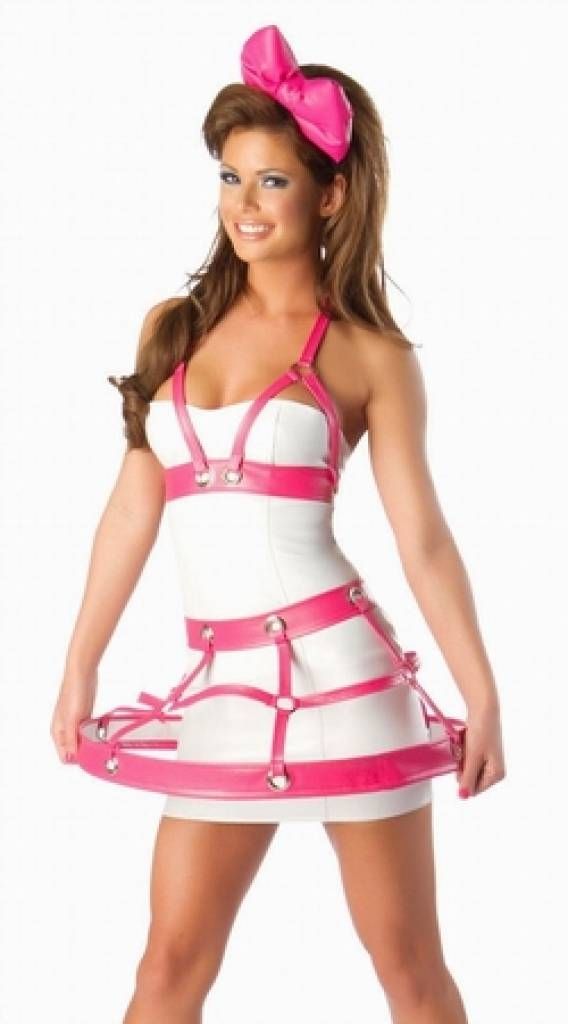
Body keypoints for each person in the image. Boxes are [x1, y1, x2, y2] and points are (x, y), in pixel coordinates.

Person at [50, 24, 505, 1024]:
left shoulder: (371, 353)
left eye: (272, 181)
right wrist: (80, 662)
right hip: (224, 685)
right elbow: (131, 506)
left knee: (409, 972)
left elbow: (424, 539)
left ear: (328, 194)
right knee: (167, 969)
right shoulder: (171, 329)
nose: (244, 205)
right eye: (230, 177)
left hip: (346, 678)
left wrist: (481, 694)